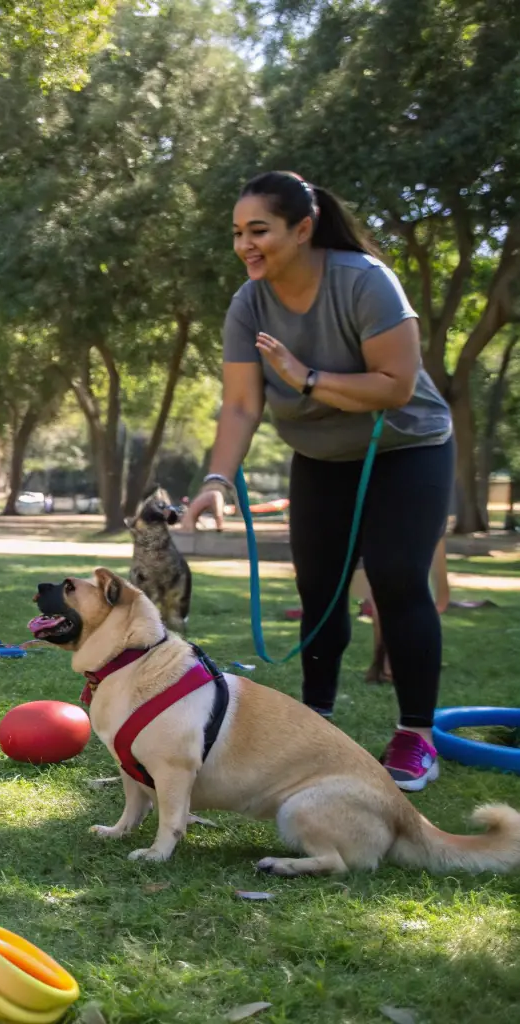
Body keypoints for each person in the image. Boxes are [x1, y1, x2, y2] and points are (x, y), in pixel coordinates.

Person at [179, 170, 455, 792]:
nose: (246, 244)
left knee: (395, 576)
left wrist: (306, 378)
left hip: (407, 447)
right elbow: (242, 406)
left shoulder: (364, 281)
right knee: (320, 590)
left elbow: (397, 384)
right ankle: (316, 725)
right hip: (322, 456)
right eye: (237, 233)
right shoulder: (249, 303)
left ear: (302, 229)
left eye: (260, 230)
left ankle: (416, 736)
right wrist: (217, 480)